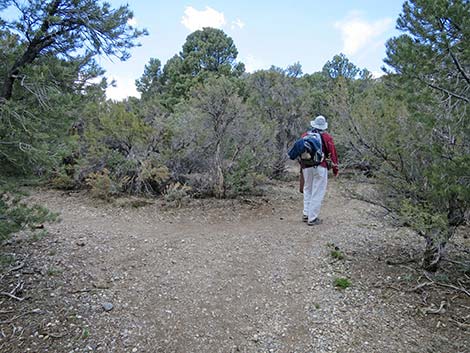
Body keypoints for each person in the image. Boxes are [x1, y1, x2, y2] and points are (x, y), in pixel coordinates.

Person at [300, 115, 338, 226]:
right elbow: (333, 154)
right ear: (324, 126)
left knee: (308, 189)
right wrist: (335, 169)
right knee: (318, 191)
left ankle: (306, 213)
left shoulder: (305, 135)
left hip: (306, 167)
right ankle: (313, 218)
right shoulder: (327, 137)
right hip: (320, 166)